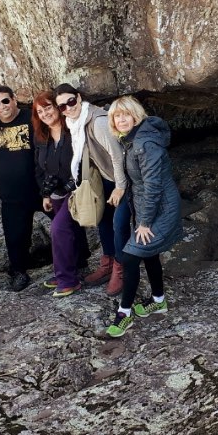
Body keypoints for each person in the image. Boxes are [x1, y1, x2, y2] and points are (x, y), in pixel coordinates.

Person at [103, 96, 182, 338]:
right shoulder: (132, 140)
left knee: (129, 257)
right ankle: (158, 300)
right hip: (146, 207)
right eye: (117, 115)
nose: (122, 119)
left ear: (136, 115)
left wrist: (145, 222)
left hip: (161, 209)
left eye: (126, 114)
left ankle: (124, 312)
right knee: (149, 254)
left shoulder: (145, 143)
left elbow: (153, 185)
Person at [54, 83, 130, 296]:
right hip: (105, 177)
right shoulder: (74, 123)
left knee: (119, 224)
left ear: (78, 98)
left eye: (71, 101)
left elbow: (117, 155)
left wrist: (120, 186)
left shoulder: (97, 121)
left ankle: (120, 268)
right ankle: (107, 263)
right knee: (104, 221)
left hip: (121, 179)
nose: (68, 108)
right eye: (62, 106)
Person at [0, 85, 40, 292]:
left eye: (5, 101)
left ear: (14, 99)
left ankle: (79, 262)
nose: (2, 106)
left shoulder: (32, 118)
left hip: (39, 189)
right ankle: (18, 272)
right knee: (15, 238)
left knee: (67, 224)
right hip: (11, 195)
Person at [32, 91, 88, 297]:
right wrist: (45, 193)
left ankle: (67, 279)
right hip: (55, 192)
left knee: (58, 228)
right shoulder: (42, 137)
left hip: (76, 190)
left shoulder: (73, 130)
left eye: (48, 107)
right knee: (69, 231)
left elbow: (84, 161)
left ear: (57, 107)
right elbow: (40, 168)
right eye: (40, 111)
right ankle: (72, 267)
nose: (45, 113)